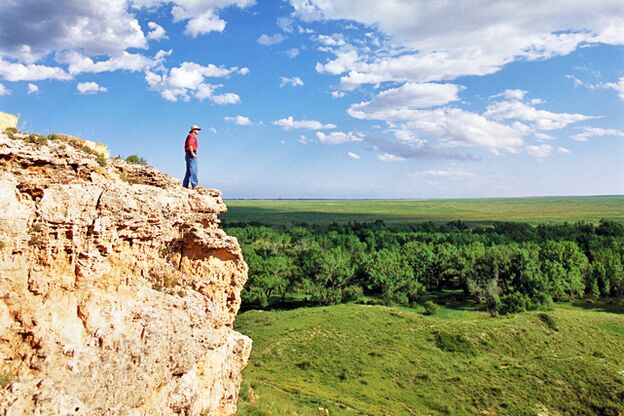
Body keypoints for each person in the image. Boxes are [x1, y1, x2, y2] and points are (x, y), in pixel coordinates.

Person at [183, 125, 202, 189]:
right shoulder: (192, 136)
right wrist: (192, 153)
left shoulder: (190, 136)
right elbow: (190, 145)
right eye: (197, 130)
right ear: (194, 130)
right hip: (191, 153)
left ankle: (185, 185)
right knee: (194, 170)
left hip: (188, 154)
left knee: (189, 170)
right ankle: (195, 185)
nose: (198, 131)